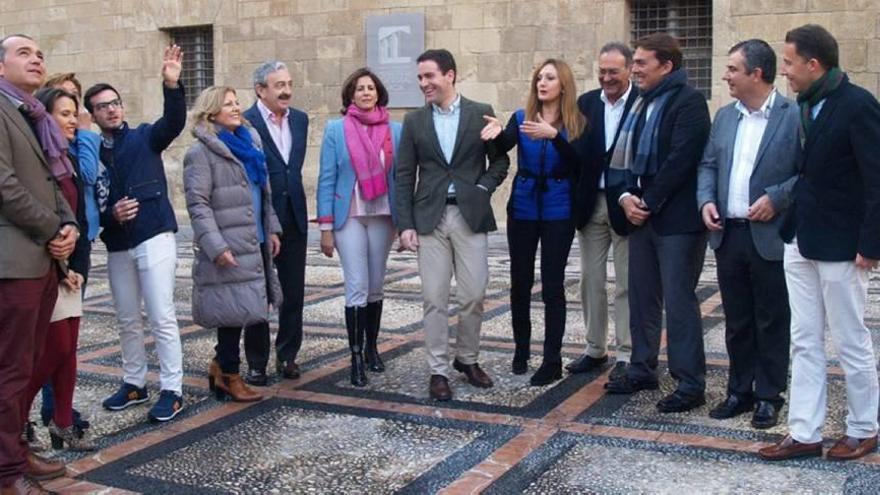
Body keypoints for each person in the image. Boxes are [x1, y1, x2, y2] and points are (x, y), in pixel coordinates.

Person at [759, 24, 880, 462]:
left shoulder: (858, 105)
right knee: (804, 339)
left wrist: (871, 244)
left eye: (789, 63)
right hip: (801, 238)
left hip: (844, 246)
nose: (785, 71)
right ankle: (805, 432)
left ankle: (864, 428)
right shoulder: (805, 105)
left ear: (814, 64)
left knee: (851, 339)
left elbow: (876, 179)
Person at [602, 33, 712, 414]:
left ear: (667, 66)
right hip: (641, 218)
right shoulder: (638, 102)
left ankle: (690, 382)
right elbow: (623, 160)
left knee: (679, 302)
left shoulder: (690, 102)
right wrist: (626, 197)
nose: (635, 69)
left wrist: (646, 200)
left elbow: (683, 159)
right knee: (641, 296)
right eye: (634, 63)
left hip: (677, 222)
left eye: (642, 63)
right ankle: (642, 367)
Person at [696, 39, 800, 429]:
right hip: (729, 235)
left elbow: (805, 173)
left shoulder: (793, 116)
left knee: (772, 318)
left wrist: (777, 197)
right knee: (737, 318)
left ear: (757, 73)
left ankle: (769, 396)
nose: (725, 76)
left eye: (733, 70)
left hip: (770, 235)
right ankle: (739, 391)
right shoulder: (724, 116)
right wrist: (706, 199)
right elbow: (707, 164)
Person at [396, 49, 510, 401]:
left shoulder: (480, 112)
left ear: (450, 75)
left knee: (473, 294)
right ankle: (438, 370)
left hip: (469, 215)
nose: (423, 83)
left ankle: (467, 359)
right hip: (428, 217)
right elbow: (403, 175)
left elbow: (501, 160)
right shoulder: (414, 121)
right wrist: (405, 224)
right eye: (419, 78)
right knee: (434, 297)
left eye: (429, 76)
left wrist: (482, 189)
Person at [84, 45, 186, 423]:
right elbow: (92, 205)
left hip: (154, 234)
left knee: (161, 314)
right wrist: (112, 214)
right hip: (117, 244)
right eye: (102, 106)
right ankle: (134, 382)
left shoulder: (144, 137)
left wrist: (172, 84)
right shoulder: (91, 152)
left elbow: (173, 123)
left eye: (115, 103)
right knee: (127, 317)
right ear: (92, 115)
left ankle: (172, 389)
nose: (111, 109)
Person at [0, 33, 78, 493]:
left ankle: (15, 450)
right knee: (11, 368)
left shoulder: (32, 116)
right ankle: (7, 472)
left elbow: (54, 180)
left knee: (27, 367)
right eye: (23, 53)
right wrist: (52, 229)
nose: (36, 59)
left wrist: (68, 227)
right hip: (15, 261)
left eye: (39, 53)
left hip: (42, 258)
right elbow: (5, 186)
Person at [480, 59, 584, 386]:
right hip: (523, 206)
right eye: (539, 78)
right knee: (520, 281)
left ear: (562, 84)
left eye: (550, 78)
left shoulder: (576, 121)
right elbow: (503, 149)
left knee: (553, 285)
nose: (542, 83)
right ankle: (521, 349)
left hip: (558, 207)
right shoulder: (522, 118)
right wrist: (493, 136)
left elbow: (579, 163)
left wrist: (554, 136)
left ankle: (551, 359)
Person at [184, 86, 282, 403]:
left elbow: (263, 192)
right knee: (233, 311)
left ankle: (220, 365)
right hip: (227, 242)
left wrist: (273, 229)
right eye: (228, 104)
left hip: (254, 237)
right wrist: (216, 245)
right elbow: (198, 204)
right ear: (212, 112)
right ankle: (229, 373)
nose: (237, 108)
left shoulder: (250, 143)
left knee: (243, 308)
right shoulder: (200, 153)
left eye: (237, 102)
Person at [20, 88, 95, 451]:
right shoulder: (37, 159)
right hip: (45, 261)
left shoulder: (67, 156)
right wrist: (60, 260)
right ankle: (15, 417)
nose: (72, 119)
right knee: (55, 346)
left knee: (69, 347)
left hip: (71, 258)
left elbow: (77, 211)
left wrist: (76, 261)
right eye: (63, 112)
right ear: (43, 116)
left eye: (74, 112)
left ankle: (62, 423)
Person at [317, 68, 402, 386]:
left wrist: (406, 223)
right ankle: (355, 358)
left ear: (378, 93)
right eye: (359, 88)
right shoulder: (336, 130)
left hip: (383, 215)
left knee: (376, 284)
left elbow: (402, 178)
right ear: (350, 96)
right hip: (348, 216)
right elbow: (326, 178)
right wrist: (325, 226)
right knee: (357, 284)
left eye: (371, 88)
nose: (366, 92)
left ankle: (371, 349)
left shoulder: (396, 130)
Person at [566, 42, 639, 381]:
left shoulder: (642, 102)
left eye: (613, 71)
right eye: (602, 71)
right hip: (591, 203)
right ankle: (595, 349)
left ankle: (626, 353)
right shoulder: (586, 103)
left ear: (628, 71)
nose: (606, 77)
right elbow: (576, 152)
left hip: (626, 204)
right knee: (590, 280)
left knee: (626, 282)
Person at [243, 61, 309, 385]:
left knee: (293, 292)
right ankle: (256, 362)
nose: (286, 90)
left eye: (289, 83)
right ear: (260, 89)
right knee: (258, 294)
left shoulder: (301, 119)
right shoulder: (245, 122)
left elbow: (290, 170)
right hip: (259, 221)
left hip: (294, 216)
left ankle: (288, 355)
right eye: (279, 84)